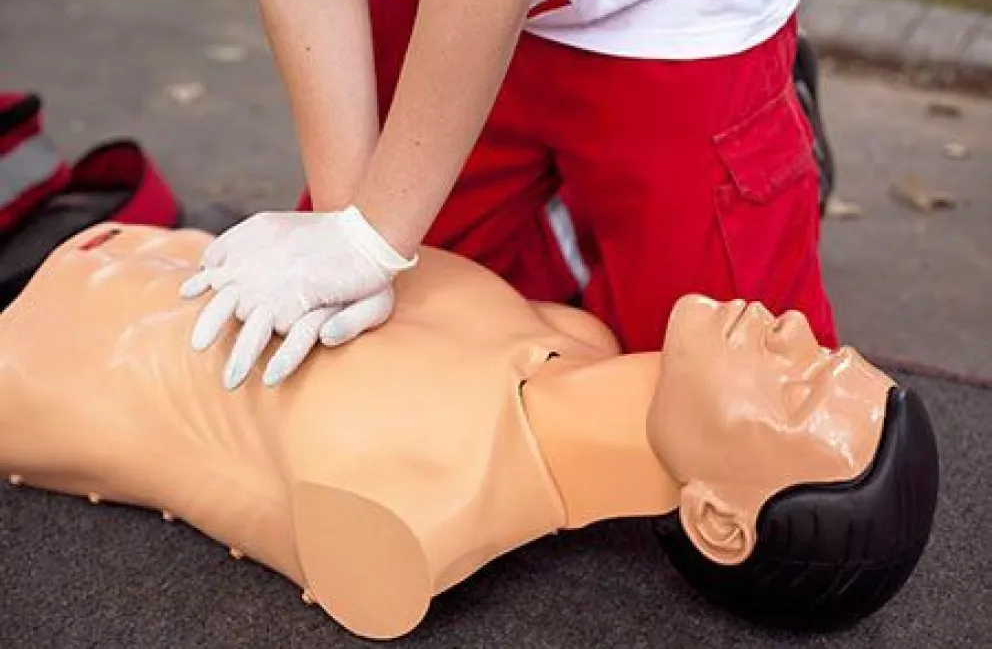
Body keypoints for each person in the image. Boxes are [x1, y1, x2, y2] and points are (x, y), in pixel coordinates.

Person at [1, 224, 937, 640]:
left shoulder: (415, 524)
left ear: (720, 524)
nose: (795, 333)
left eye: (802, 394)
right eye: (828, 351)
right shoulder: (574, 336)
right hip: (123, 247)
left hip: (28, 362)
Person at [178, 0, 839, 390]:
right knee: (374, 352)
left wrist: (373, 238)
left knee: (732, 401)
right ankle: (563, 228)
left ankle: (778, 133)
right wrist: (343, 228)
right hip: (438, 14)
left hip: (670, 20)